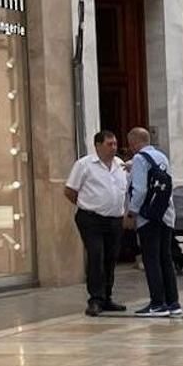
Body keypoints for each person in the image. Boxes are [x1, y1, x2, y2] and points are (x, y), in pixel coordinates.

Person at [64, 130, 130, 316]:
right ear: (98, 146)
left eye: (115, 144)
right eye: (109, 144)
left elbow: (123, 192)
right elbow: (70, 191)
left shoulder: (120, 165)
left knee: (111, 257)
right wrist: (87, 205)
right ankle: (95, 298)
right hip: (91, 218)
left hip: (114, 219)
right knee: (96, 255)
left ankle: (107, 296)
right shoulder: (85, 165)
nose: (113, 148)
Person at [126, 127, 181, 318]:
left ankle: (157, 303)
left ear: (134, 142)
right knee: (165, 258)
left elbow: (140, 190)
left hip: (148, 217)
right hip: (166, 214)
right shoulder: (161, 157)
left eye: (130, 143)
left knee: (151, 259)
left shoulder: (140, 159)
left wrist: (132, 213)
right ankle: (173, 302)